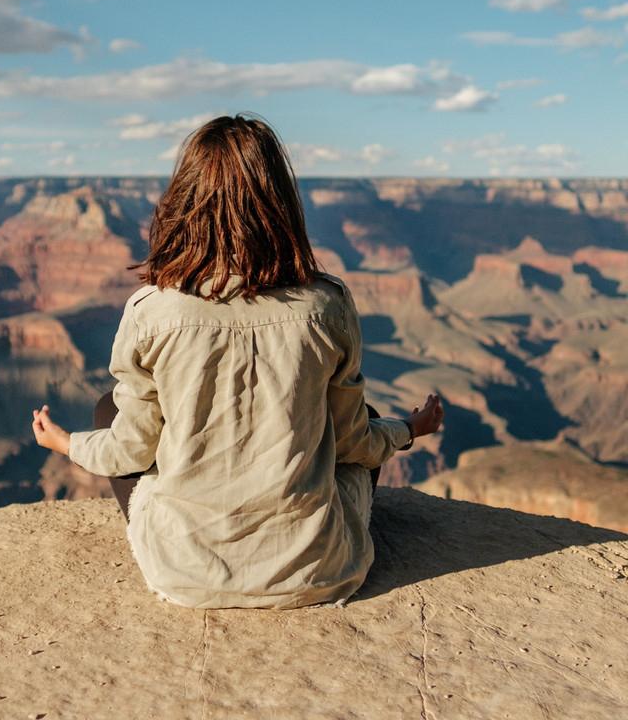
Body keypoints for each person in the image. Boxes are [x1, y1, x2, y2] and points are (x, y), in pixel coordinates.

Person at [31, 113, 444, 610]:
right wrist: (407, 429)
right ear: (280, 202)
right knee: (364, 418)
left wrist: (65, 443)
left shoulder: (151, 310)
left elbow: (131, 452)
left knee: (108, 411)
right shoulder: (326, 305)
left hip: (185, 575)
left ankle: (192, 547)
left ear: (184, 202)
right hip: (318, 572)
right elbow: (354, 443)